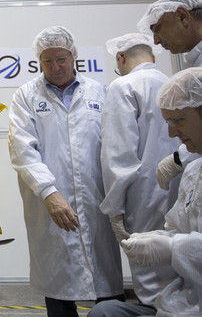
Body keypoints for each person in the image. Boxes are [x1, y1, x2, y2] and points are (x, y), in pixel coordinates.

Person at [8, 26, 124, 317]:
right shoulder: (26, 96)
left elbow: (115, 146)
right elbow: (23, 149)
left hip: (97, 199)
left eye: (61, 59)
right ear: (39, 61)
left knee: (106, 284)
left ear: (74, 56)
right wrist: (49, 192)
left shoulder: (99, 91)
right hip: (48, 202)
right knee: (58, 284)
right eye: (47, 61)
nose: (55, 67)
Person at [88, 67, 202, 317]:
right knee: (104, 312)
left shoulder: (123, 87)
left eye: (178, 120)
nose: (172, 133)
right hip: (185, 302)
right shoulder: (193, 173)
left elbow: (117, 155)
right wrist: (159, 238)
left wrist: (173, 248)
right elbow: (176, 227)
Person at [99, 33, 179, 306]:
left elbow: (118, 154)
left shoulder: (123, 87)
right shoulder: (175, 84)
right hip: (182, 188)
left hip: (142, 194)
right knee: (177, 266)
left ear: (121, 58)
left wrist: (114, 209)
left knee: (149, 273)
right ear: (153, 57)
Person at [137, 0, 202, 208]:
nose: (155, 40)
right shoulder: (194, 59)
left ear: (183, 16)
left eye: (157, 28)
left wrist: (179, 158)